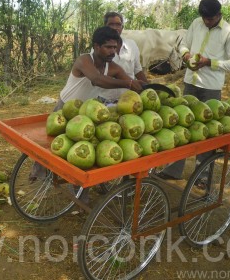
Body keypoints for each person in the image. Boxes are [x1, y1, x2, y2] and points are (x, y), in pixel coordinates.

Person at [30, 26, 147, 181]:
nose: (113, 51)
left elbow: (129, 80)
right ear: (96, 46)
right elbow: (97, 79)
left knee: (82, 156)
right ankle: (37, 173)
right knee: (50, 146)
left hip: (86, 114)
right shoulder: (84, 60)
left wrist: (142, 86)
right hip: (64, 108)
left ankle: (79, 190)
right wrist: (128, 84)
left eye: (114, 47)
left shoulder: (112, 67)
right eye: (108, 47)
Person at [157, 0, 230, 184]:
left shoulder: (229, 33)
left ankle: (202, 176)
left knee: (206, 132)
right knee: (180, 126)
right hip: (190, 83)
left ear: (219, 15)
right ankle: (173, 169)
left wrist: (209, 62)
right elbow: (184, 44)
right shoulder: (196, 23)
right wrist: (186, 54)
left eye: (210, 19)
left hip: (211, 88)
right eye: (204, 18)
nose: (206, 21)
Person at [96, 12, 148, 103]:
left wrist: (148, 88)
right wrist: (129, 83)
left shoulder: (132, 45)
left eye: (118, 25)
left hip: (129, 100)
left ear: (122, 27)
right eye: (111, 24)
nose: (115, 28)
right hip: (104, 100)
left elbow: (138, 71)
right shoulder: (98, 48)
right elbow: (97, 77)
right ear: (105, 26)